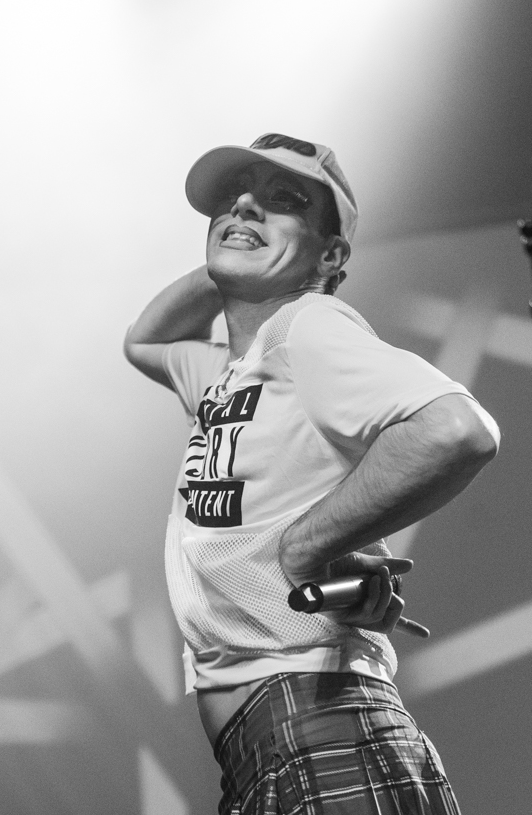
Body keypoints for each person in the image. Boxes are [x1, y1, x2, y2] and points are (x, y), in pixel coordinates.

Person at [124, 132, 500, 814]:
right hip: (271, 749)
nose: (244, 204)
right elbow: (143, 340)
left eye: (283, 199)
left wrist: (305, 544)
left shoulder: (309, 325)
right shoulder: (229, 371)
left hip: (324, 726)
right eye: (234, 197)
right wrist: (243, 246)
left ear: (331, 256)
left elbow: (455, 429)